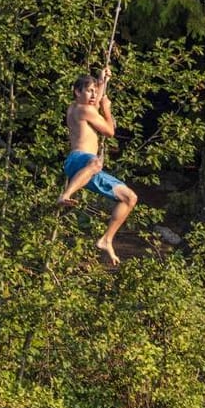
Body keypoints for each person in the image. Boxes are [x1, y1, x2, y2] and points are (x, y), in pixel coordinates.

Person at [58, 68, 138, 264]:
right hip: (79, 160)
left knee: (129, 198)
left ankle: (106, 240)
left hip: (84, 170)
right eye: (88, 91)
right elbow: (110, 131)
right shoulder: (83, 109)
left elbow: (94, 101)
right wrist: (107, 108)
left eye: (94, 91)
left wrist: (102, 81)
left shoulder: (76, 107)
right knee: (96, 163)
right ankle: (66, 195)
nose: (93, 95)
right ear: (77, 92)